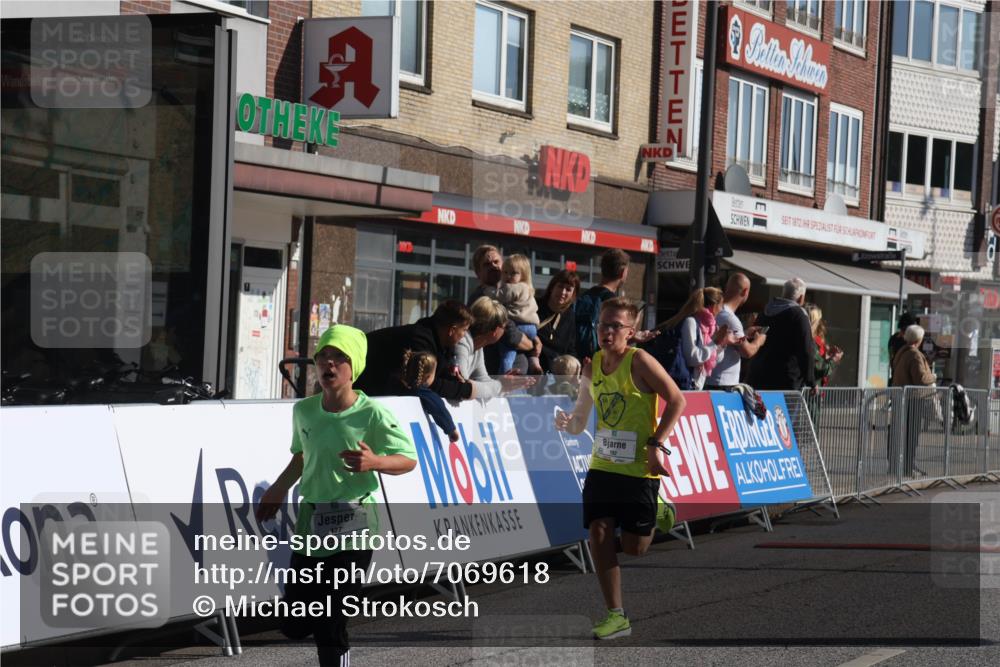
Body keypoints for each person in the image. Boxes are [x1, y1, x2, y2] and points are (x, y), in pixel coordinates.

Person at [256, 325, 417, 666]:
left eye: (339, 358)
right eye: (323, 356)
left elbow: (408, 459)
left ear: (353, 366)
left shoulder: (372, 414)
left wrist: (375, 461)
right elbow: (301, 456)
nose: (329, 364)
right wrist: (278, 488)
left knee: (330, 620)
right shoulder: (304, 411)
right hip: (311, 525)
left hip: (355, 527)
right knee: (294, 624)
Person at [554, 297, 686, 641]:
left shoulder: (640, 361)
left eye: (615, 326)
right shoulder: (592, 365)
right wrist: (569, 423)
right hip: (603, 464)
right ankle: (616, 614)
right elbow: (582, 414)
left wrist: (656, 444)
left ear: (630, 332)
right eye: (603, 325)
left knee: (634, 548)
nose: (607, 332)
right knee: (598, 531)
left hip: (639, 468)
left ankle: (659, 508)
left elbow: (677, 399)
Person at [355, 300, 473, 400]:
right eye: (464, 330)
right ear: (452, 330)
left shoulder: (442, 345)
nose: (464, 335)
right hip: (364, 386)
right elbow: (425, 383)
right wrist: (465, 390)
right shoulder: (419, 340)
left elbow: (437, 378)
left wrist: (455, 381)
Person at [468, 245, 540, 374]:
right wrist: (532, 344)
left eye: (496, 262)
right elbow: (511, 335)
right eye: (486, 264)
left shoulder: (511, 291)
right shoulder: (482, 298)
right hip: (495, 375)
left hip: (517, 377)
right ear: (478, 273)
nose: (493, 266)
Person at [451, 297, 536, 400]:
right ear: (495, 331)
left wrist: (503, 384)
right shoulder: (462, 342)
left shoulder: (478, 348)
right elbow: (463, 387)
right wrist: (500, 385)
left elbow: (483, 379)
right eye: (504, 327)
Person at [656, 287, 734, 390]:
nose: (721, 310)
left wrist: (722, 343)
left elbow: (714, 359)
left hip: (695, 386)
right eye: (721, 305)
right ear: (714, 306)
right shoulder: (691, 322)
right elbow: (693, 358)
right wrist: (715, 342)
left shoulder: (710, 327)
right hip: (682, 386)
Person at [749, 278, 816, 391]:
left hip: (758, 376)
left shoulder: (765, 312)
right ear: (801, 298)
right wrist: (811, 381)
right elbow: (806, 350)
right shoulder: (799, 314)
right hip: (786, 381)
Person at [706, 273, 766, 391]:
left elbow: (729, 338)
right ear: (745, 291)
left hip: (711, 378)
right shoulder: (730, 318)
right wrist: (759, 341)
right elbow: (747, 352)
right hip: (723, 382)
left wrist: (744, 332)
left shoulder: (718, 310)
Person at [891, 324, 937, 477]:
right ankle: (908, 466)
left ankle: (906, 464)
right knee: (912, 435)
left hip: (902, 397)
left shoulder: (901, 352)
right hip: (914, 399)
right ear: (919, 339)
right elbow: (921, 378)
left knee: (904, 434)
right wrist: (934, 376)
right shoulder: (915, 355)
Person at [574, 248, 630, 362]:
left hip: (579, 360)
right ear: (623, 273)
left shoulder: (584, 297)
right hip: (600, 363)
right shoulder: (614, 304)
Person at [491, 254, 543, 374]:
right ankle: (534, 362)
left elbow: (500, 296)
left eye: (513, 273)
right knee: (531, 351)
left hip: (518, 324)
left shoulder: (514, 287)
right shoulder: (529, 289)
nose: (508, 276)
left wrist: (488, 291)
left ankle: (505, 373)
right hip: (532, 328)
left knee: (507, 354)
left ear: (523, 275)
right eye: (505, 272)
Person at [400, 349, 458, 442]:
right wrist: (451, 430)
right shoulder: (424, 393)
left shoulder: (395, 382)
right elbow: (439, 409)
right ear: (427, 377)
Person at [536, 270, 580, 373]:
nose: (563, 292)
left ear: (573, 294)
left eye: (568, 289)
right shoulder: (535, 306)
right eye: (560, 286)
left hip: (555, 374)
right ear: (552, 287)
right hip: (533, 368)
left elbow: (570, 348)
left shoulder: (570, 316)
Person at [806, 304, 843, 386]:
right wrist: (834, 359)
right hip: (809, 392)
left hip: (814, 389)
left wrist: (828, 355)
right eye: (819, 320)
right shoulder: (809, 341)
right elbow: (819, 369)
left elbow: (817, 363)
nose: (821, 323)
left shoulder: (816, 340)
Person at [887, 311, 918, 385]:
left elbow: (891, 358)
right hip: (907, 381)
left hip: (896, 380)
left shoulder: (893, 338)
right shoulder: (909, 341)